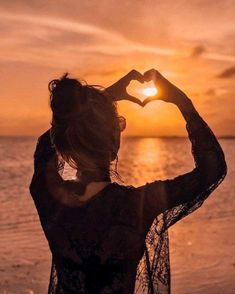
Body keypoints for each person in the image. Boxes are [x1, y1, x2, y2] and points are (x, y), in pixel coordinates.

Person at [29, 69, 227, 294]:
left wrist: (103, 99)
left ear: (65, 142)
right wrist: (181, 101)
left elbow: (46, 144)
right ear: (114, 143)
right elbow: (212, 170)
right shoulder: (136, 205)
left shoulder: (49, 197)